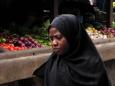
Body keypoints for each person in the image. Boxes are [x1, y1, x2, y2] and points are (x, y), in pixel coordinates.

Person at [33, 14, 111, 86]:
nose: (54, 43)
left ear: (72, 37)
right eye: (51, 38)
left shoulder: (94, 67)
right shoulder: (54, 62)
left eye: (59, 37)